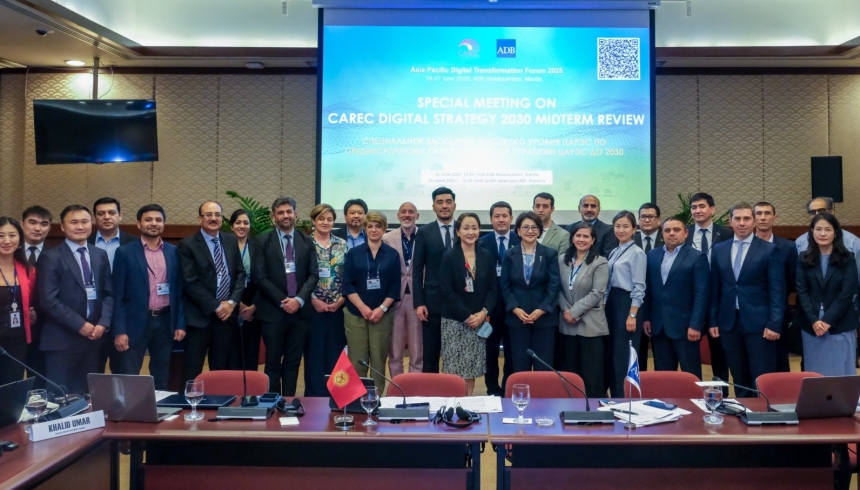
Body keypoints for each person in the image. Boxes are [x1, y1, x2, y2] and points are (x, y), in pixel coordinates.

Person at [710, 202, 784, 397]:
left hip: (760, 324)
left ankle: (763, 412)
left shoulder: (769, 250)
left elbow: (777, 290)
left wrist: (775, 323)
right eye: (737, 219)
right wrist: (713, 320)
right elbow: (715, 288)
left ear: (754, 221)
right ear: (730, 221)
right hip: (728, 323)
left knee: (761, 374)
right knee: (738, 373)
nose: (742, 223)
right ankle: (744, 409)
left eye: (746, 218)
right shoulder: (719, 249)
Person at [38, 205, 113, 394]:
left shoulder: (99, 254)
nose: (80, 226)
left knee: (88, 396)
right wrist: (80, 325)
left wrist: (103, 323)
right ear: (63, 227)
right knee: (59, 396)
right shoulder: (50, 257)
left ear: (91, 224)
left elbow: (108, 293)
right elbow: (48, 300)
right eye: (74, 222)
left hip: (93, 339)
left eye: (84, 221)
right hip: (62, 340)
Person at [111, 204, 185, 389]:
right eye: (148, 219)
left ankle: (159, 406)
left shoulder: (173, 252)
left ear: (163, 224)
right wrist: (119, 331)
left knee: (161, 375)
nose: (154, 223)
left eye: (158, 220)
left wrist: (180, 324)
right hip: (134, 323)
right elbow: (117, 295)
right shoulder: (125, 252)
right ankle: (129, 408)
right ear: (139, 224)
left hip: (165, 322)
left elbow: (179, 291)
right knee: (129, 376)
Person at [252, 197, 319, 396]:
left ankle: (288, 402)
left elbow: (314, 274)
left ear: (295, 214)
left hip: (300, 314)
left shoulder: (307, 241)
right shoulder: (262, 241)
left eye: (289, 211)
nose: (285, 216)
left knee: (293, 362)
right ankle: (272, 403)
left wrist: (298, 300)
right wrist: (283, 301)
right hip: (273, 313)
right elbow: (259, 276)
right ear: (274, 217)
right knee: (272, 363)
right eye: (280, 213)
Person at [178, 201, 245, 382]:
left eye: (217, 215)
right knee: (192, 370)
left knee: (221, 369)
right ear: (199, 218)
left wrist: (231, 303)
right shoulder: (187, 245)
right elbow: (190, 282)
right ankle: (189, 400)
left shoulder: (230, 240)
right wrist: (216, 306)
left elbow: (240, 274)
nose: (213, 218)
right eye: (208, 215)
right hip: (199, 318)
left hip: (226, 317)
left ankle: (219, 399)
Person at [642, 217, 709, 379]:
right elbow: (648, 290)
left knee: (691, 376)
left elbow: (702, 294)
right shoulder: (652, 255)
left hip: (686, 328)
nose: (671, 233)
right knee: (664, 377)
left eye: (676, 230)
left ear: (686, 233)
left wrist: (696, 325)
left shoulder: (697, 257)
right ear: (662, 234)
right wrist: (646, 318)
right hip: (659, 327)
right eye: (667, 230)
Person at [795, 213, 859, 376]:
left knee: (841, 372)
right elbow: (802, 291)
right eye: (818, 229)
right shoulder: (804, 258)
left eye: (828, 229)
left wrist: (828, 320)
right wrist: (814, 320)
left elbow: (847, 293)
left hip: (839, 323)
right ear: (812, 232)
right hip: (812, 326)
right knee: (815, 374)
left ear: (836, 233)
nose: (822, 234)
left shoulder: (847, 258)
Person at [439, 212, 496, 395]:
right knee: (454, 368)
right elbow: (446, 290)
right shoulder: (449, 256)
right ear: (458, 231)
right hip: (454, 321)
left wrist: (483, 312)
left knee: (471, 368)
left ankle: (466, 403)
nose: (470, 232)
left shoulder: (486, 256)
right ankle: (453, 404)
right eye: (466, 228)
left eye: (474, 228)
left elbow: (493, 288)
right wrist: (465, 315)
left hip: (478, 321)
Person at [342, 212, 400, 389]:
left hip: (382, 315)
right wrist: (363, 308)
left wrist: (381, 309)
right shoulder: (353, 253)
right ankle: (357, 398)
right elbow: (348, 284)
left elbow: (395, 286)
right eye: (370, 226)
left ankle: (376, 398)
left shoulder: (392, 254)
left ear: (384, 229)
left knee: (378, 359)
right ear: (365, 229)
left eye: (378, 226)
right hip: (356, 314)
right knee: (357, 359)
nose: (374, 230)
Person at [500, 211, 560, 373]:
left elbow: (554, 285)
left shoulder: (549, 254)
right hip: (517, 319)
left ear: (539, 230)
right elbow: (504, 285)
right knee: (520, 366)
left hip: (544, 319)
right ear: (518, 231)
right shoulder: (509, 255)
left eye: (534, 227)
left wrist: (542, 309)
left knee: (543, 366)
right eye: (525, 227)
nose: (530, 231)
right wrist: (515, 309)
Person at [684, 192, 731, 388]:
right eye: (694, 207)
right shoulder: (684, 234)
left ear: (712, 209)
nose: (697, 211)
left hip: (719, 299)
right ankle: (691, 392)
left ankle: (722, 394)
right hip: (690, 300)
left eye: (702, 206)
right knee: (689, 353)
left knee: (719, 352)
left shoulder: (726, 234)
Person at [558, 222, 609, 397]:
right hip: (567, 324)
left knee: (591, 373)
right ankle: (572, 406)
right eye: (578, 235)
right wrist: (567, 311)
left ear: (593, 240)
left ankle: (593, 408)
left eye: (586, 236)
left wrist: (574, 312)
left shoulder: (600, 262)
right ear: (572, 238)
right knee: (570, 372)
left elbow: (598, 292)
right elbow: (558, 288)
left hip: (591, 325)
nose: (581, 239)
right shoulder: (562, 259)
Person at [303, 203, 348, 397]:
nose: (325, 222)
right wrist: (313, 299)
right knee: (314, 355)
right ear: (313, 221)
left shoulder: (342, 244)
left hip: (338, 309)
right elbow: (300, 276)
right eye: (321, 218)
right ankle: (315, 398)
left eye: (329, 219)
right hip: (312, 309)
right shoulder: (305, 243)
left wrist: (342, 300)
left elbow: (349, 276)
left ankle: (336, 398)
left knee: (335, 355)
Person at [413, 187, 457, 373]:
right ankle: (430, 389)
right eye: (440, 202)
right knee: (431, 354)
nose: (444, 206)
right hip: (432, 303)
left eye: (448, 202)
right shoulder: (424, 232)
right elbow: (416, 270)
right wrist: (419, 302)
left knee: (455, 353)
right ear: (433, 207)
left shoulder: (464, 229)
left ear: (455, 205)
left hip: (460, 301)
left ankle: (455, 389)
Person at [477, 201, 519, 396]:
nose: (501, 219)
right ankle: (492, 389)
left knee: (512, 351)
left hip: (514, 307)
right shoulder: (481, 242)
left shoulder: (521, 240)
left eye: (505, 216)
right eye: (497, 216)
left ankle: (508, 389)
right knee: (490, 351)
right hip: (489, 308)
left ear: (511, 218)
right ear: (491, 219)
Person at [89, 197, 135, 375]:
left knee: (123, 373)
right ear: (94, 218)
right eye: (101, 213)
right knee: (93, 371)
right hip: (92, 318)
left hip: (125, 318)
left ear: (120, 215)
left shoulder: (134, 243)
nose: (107, 217)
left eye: (111, 212)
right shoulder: (84, 241)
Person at [604, 211, 647, 397]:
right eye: (617, 226)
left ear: (634, 229)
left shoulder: (637, 253)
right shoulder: (615, 250)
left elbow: (639, 287)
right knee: (612, 353)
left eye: (626, 226)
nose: (621, 230)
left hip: (627, 304)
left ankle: (624, 399)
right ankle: (614, 396)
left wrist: (632, 315)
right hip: (612, 303)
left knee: (623, 355)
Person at [754, 201, 798, 372]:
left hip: (778, 313)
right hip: (750, 312)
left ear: (775, 218)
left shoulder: (788, 247)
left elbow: (793, 280)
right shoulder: (745, 245)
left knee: (779, 361)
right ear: (753, 218)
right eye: (759, 213)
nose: (763, 217)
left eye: (767, 213)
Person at [382, 202, 423, 377]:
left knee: (417, 350)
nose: (407, 215)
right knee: (395, 351)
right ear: (398, 215)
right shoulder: (387, 238)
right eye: (403, 212)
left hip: (418, 299)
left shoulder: (425, 236)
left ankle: (414, 387)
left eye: (411, 212)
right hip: (394, 299)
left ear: (417, 216)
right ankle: (397, 387)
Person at [0, 218, 36, 386]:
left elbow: (31, 300)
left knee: (13, 387)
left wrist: (31, 311)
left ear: (20, 240)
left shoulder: (28, 270)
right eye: (1, 236)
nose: (7, 241)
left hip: (17, 342)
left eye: (12, 235)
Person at [21, 205, 52, 384]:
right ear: (22, 224)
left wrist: (36, 311)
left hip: (44, 327)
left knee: (40, 378)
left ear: (49, 228)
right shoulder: (9, 252)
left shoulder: (57, 255)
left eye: (43, 224)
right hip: (13, 327)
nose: (37, 228)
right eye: (32, 222)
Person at [633, 202, 663, 369]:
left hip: (659, 303)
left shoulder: (667, 239)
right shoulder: (630, 240)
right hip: (636, 304)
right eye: (643, 216)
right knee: (638, 350)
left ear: (659, 220)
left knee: (662, 354)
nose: (647, 220)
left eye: (651, 216)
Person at [230, 209, 261, 371]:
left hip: (254, 298)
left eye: (246, 223)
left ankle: (251, 385)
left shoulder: (258, 246)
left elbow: (264, 277)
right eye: (238, 222)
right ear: (231, 226)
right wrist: (237, 303)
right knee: (232, 349)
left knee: (251, 349)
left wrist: (253, 306)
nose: (242, 226)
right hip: (230, 298)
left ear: (250, 226)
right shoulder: (224, 245)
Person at [532, 192, 569, 257]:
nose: (541, 210)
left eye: (545, 206)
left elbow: (562, 261)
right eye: (537, 206)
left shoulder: (563, 235)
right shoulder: (524, 232)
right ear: (533, 208)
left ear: (552, 209)